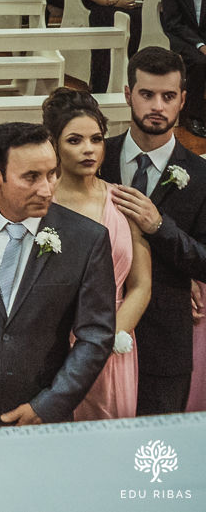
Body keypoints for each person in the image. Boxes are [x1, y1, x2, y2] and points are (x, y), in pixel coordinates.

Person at [0, 121, 114, 427]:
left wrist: (49, 404)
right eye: (31, 177)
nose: (47, 189)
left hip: (39, 412)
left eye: (52, 174)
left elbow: (96, 335)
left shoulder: (86, 239)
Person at [104, 48, 206, 414]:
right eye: (147, 95)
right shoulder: (96, 158)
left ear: (183, 100)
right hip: (92, 329)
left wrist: (160, 228)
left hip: (165, 342)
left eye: (168, 96)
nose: (158, 106)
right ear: (128, 94)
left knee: (155, 459)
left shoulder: (201, 175)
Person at [36, 88, 146, 421]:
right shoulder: (39, 203)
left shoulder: (123, 201)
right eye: (75, 140)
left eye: (96, 139)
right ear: (53, 143)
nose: (88, 149)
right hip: (53, 342)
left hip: (115, 340)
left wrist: (108, 339)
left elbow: (141, 284)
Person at [157, 0, 206, 137]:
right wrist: (200, 45)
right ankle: (192, 116)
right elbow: (174, 23)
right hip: (181, 37)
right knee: (200, 61)